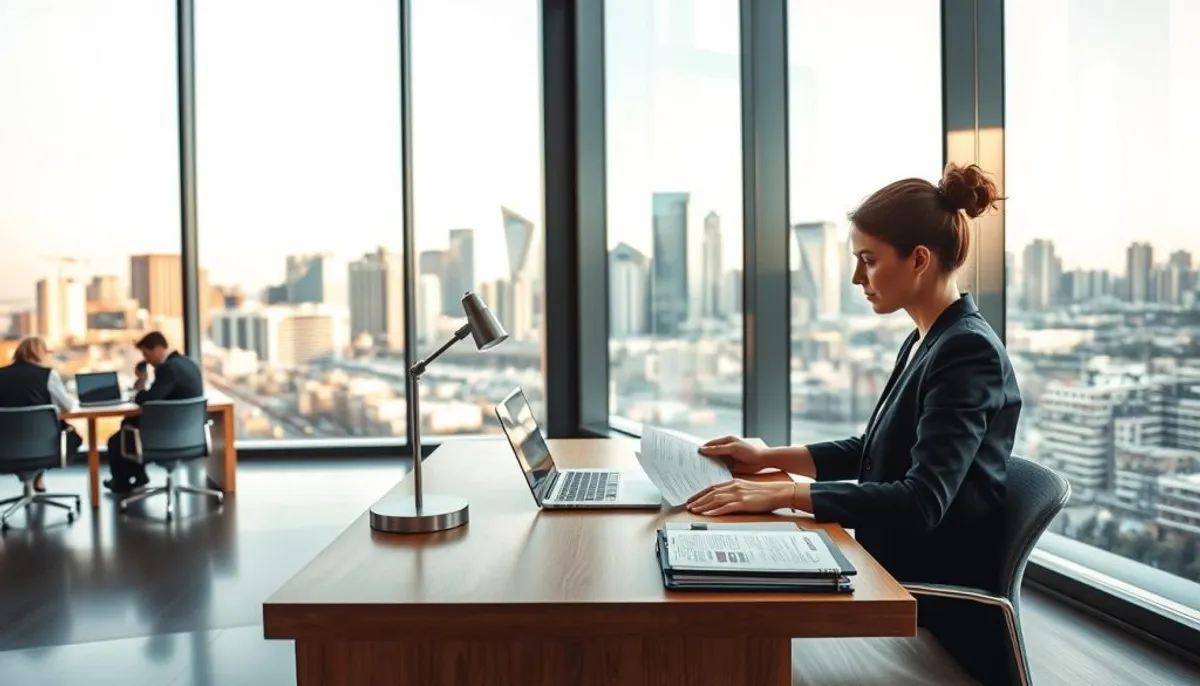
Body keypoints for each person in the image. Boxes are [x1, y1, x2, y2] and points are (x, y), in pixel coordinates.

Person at [687, 163, 1018, 685]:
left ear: (920, 260)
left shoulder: (967, 351)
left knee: (732, 649)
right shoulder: (927, 340)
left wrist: (784, 495)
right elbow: (872, 450)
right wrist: (769, 457)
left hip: (925, 612)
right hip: (884, 578)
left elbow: (920, 501)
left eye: (868, 261)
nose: (856, 278)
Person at [104, 331, 204, 494]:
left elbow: (149, 399)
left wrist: (140, 384)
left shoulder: (167, 369)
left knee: (118, 439)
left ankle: (122, 482)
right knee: (129, 424)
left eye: (146, 354)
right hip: (190, 434)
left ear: (158, 349)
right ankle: (138, 475)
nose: (146, 360)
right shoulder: (188, 363)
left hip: (168, 435)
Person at [0, 336, 83, 492]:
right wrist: (50, 413)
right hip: (42, 446)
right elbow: (68, 406)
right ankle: (37, 473)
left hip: (5, 447)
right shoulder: (47, 375)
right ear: (40, 354)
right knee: (71, 437)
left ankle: (34, 476)